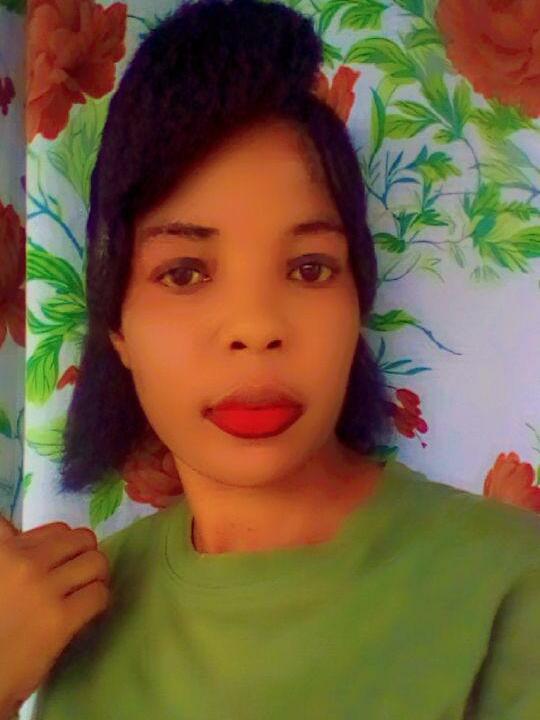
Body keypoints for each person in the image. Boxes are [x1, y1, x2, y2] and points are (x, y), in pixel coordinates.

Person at [2, 0, 539, 718]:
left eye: (310, 268)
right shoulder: (60, 620)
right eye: (184, 272)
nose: (256, 328)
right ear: (117, 326)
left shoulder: (508, 586)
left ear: (357, 303)